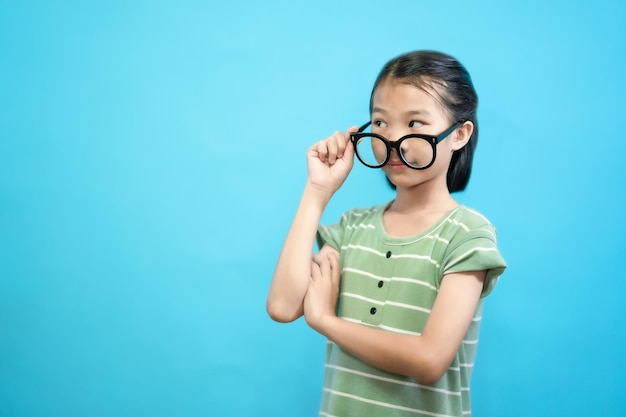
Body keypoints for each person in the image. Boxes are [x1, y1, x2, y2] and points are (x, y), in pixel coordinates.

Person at [266, 50, 507, 417]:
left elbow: (428, 360)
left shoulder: (468, 235)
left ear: (459, 134)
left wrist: (326, 322)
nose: (394, 140)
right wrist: (317, 193)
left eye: (415, 123)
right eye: (380, 123)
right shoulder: (351, 228)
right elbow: (284, 307)